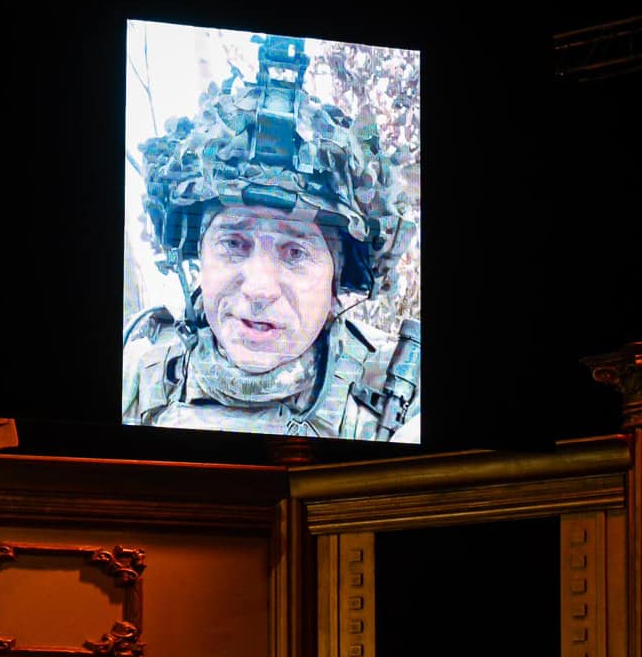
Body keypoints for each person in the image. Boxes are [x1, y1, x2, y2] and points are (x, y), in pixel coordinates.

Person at [125, 33, 421, 440]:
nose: (260, 289)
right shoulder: (136, 378)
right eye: (233, 243)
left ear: (336, 284)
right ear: (198, 256)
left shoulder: (403, 400)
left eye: (295, 252)